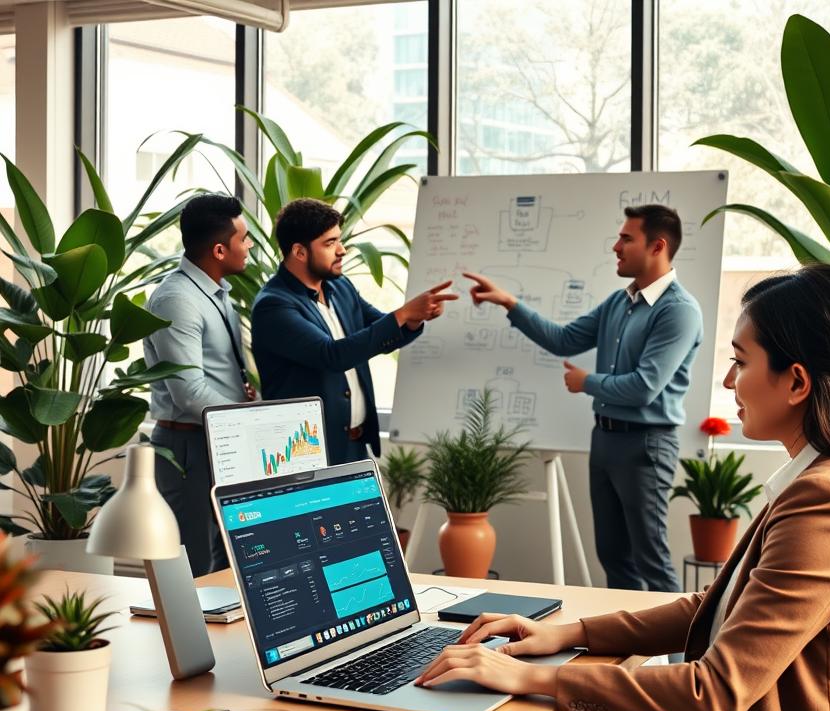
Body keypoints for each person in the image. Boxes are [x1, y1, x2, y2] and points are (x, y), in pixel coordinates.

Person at [416, 264, 830, 711]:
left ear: (797, 382)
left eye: (741, 362)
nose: (727, 382)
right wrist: (568, 634)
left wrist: (530, 677)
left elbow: (714, 694)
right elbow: (719, 603)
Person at [464, 204, 702, 594]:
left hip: (646, 444)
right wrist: (509, 303)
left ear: (657, 246)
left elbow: (645, 387)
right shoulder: (618, 302)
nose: (616, 246)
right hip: (605, 440)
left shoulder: (678, 311)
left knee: (651, 560)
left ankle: (680, 652)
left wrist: (586, 382)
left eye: (627, 238)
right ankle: (629, 649)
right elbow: (563, 339)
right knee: (612, 556)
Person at [251, 198, 457, 465]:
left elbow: (378, 331)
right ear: (299, 252)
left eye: (339, 240)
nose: (342, 250)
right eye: (330, 243)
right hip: (305, 455)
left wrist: (415, 318)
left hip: (355, 447)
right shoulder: (274, 305)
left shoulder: (340, 287)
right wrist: (403, 313)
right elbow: (331, 355)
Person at [145, 193, 256, 577]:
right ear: (220, 249)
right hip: (188, 447)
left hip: (217, 440)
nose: (250, 247)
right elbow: (188, 393)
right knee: (195, 568)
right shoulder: (177, 300)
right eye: (244, 239)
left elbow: (216, 371)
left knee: (229, 562)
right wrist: (250, 420)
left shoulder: (216, 293)